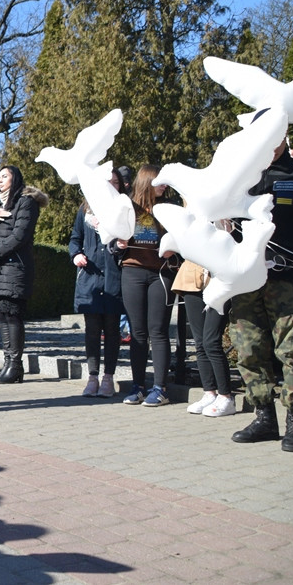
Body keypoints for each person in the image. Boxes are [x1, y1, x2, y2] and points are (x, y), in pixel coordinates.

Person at [230, 137, 293, 452]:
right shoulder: (242, 175)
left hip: (290, 278)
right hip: (248, 277)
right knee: (248, 346)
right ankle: (264, 418)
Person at [116, 164, 176, 406]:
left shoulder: (169, 208)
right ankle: (138, 386)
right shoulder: (128, 206)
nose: (164, 185)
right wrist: (117, 244)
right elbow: (111, 236)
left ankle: (160, 388)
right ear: (146, 182)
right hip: (132, 272)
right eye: (159, 181)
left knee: (158, 331)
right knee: (137, 333)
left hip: (161, 274)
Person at [0, 165, 48, 385]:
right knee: (2, 316)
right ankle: (8, 365)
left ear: (15, 178)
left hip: (15, 267)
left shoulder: (25, 202)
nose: (0, 180)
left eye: (5, 176)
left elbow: (19, 235)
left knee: (12, 316)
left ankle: (15, 366)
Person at [69, 171, 125, 398]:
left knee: (112, 331)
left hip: (113, 278)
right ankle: (92, 377)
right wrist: (76, 255)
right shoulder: (85, 210)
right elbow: (75, 238)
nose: (111, 185)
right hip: (90, 279)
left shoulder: (123, 209)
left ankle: (108, 378)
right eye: (107, 181)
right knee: (92, 331)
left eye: (115, 182)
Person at [173, 258, 234, 416]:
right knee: (200, 342)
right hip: (192, 278)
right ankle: (209, 392)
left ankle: (226, 396)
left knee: (211, 341)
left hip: (220, 279)